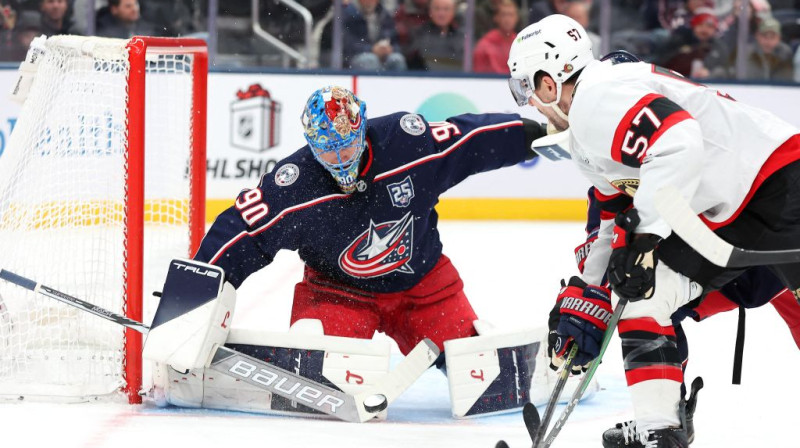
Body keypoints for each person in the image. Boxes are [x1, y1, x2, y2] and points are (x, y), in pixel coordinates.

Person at [142, 85, 559, 419]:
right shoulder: (294, 184)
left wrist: (535, 136)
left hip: (425, 288)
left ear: (361, 128)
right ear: (311, 146)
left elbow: (466, 139)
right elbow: (239, 230)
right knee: (319, 363)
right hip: (340, 294)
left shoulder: (405, 143)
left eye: (347, 146)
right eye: (328, 151)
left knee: (476, 364)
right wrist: (190, 301)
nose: (340, 160)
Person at [507, 13, 800, 448]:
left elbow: (678, 139)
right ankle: (660, 432)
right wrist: (585, 294)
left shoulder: (596, 98)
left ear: (550, 82)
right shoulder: (593, 124)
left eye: (527, 89)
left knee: (645, 283)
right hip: (747, 207)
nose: (529, 102)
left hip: (779, 186)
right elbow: (610, 217)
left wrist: (644, 239)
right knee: (644, 291)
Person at [343, 0, 407, 71]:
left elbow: (394, 41)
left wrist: (390, 49)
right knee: (370, 60)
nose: (369, 2)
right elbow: (349, 45)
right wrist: (372, 49)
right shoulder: (349, 15)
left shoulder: (384, 15)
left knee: (397, 59)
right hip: (356, 56)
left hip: (382, 55)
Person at [472, 0, 518, 73]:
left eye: (511, 15)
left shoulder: (521, 43)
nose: (507, 19)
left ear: (516, 18)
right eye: (504, 14)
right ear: (496, 18)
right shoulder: (484, 45)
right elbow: (478, 77)